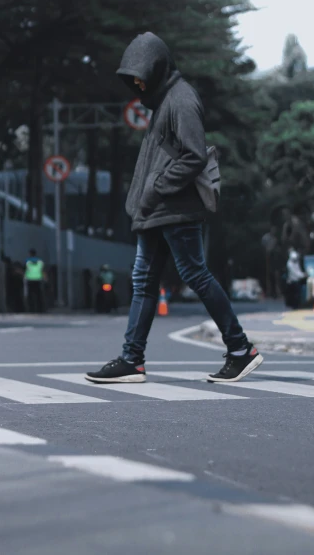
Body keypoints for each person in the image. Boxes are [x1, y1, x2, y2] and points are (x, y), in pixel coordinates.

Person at [86, 32, 262, 384]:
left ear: (158, 68)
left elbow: (194, 155)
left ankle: (241, 350)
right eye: (133, 79)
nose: (137, 85)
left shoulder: (180, 100)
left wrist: (157, 188)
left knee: (194, 274)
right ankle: (132, 359)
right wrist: (147, 198)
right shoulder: (165, 101)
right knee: (144, 282)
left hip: (175, 209)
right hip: (157, 211)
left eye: (141, 77)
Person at [24, 248, 46, 313]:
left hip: (30, 279)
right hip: (38, 279)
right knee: (38, 295)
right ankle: (40, 309)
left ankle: (31, 309)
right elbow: (42, 270)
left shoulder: (27, 261)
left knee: (30, 295)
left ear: (30, 253)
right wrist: (45, 278)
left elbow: (25, 270)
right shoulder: (40, 261)